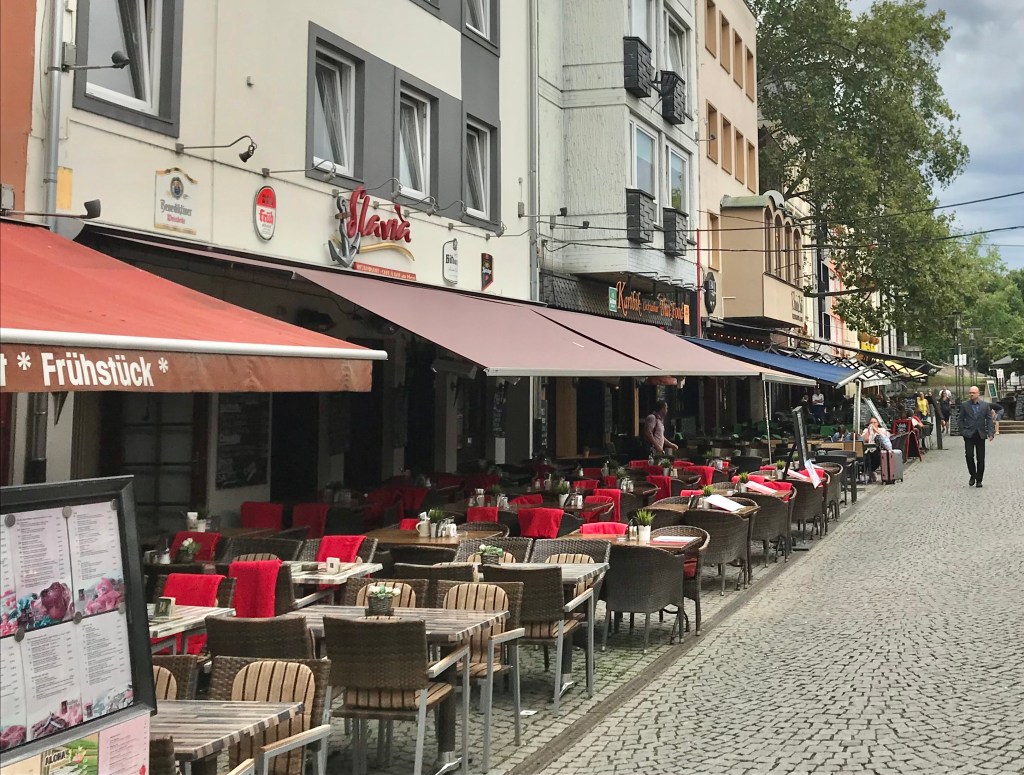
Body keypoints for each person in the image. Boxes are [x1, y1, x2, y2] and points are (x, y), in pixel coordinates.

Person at [959, 385, 995, 488]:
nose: (971, 394)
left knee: (981, 458)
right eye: (970, 393)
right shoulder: (965, 405)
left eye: (973, 393)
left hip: (980, 434)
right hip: (969, 434)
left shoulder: (985, 405)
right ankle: (973, 475)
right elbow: (960, 419)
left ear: (978, 394)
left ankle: (979, 479)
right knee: (969, 456)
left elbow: (989, 419)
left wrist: (990, 433)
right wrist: (963, 430)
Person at [861, 417, 891, 483]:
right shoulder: (866, 430)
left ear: (877, 423)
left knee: (877, 453)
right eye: (871, 423)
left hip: (878, 451)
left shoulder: (882, 430)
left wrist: (875, 430)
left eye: (874, 422)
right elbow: (863, 439)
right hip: (867, 450)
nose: (873, 424)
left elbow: (885, 438)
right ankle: (867, 472)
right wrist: (869, 431)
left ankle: (870, 471)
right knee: (867, 454)